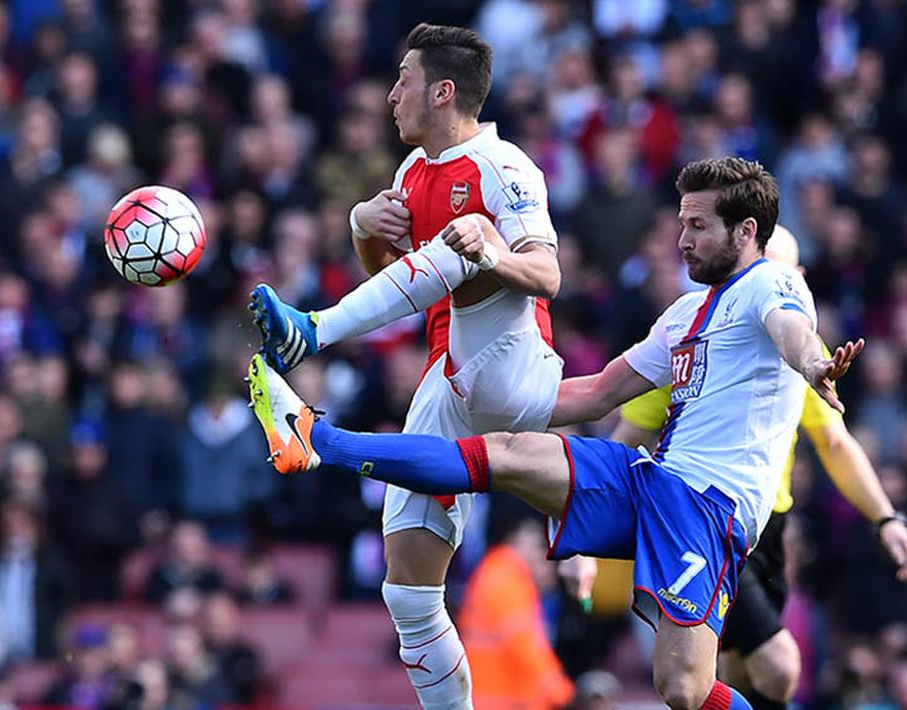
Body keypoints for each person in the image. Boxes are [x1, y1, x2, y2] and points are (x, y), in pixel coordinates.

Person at [247, 157, 865, 710]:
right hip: (652, 478)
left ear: (746, 231)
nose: (682, 240)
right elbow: (596, 394)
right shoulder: (684, 314)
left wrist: (813, 363)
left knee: (683, 689)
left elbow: (791, 331)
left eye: (698, 226)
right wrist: (501, 396)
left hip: (708, 507)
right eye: (682, 223)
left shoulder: (774, 282)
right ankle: (316, 438)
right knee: (510, 453)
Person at [250, 23, 562, 708]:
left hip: (511, 364)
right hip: (448, 377)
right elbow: (393, 282)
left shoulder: (502, 167)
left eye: (403, 80)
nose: (391, 95)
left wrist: (486, 250)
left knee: (463, 239)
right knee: (409, 592)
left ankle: (311, 332)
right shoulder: (410, 173)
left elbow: (547, 275)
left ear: (442, 92)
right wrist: (363, 227)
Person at [599, 226, 907, 710]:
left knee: (737, 675)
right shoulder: (695, 343)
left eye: (776, 273)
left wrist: (885, 519)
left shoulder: (802, 352)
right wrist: (582, 530)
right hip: (706, 525)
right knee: (779, 667)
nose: (763, 285)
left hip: (769, 531)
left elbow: (834, 443)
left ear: (796, 279)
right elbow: (625, 439)